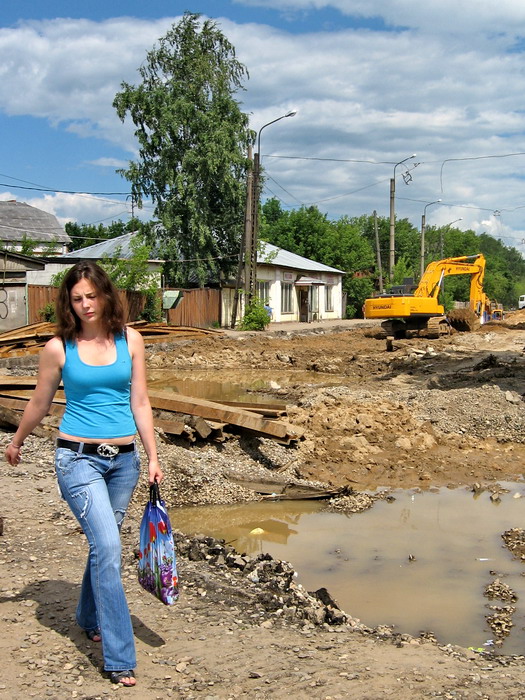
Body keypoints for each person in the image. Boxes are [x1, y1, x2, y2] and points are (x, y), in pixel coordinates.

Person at [4, 260, 162, 688]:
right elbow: (39, 402)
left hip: (124, 461)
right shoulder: (59, 348)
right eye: (77, 299)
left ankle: (87, 615)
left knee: (102, 546)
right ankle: (118, 656)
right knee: (109, 547)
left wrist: (152, 456)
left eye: (92, 296)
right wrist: (16, 440)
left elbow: (141, 401)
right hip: (78, 460)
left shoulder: (131, 340)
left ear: (106, 295)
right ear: (68, 304)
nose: (86, 304)